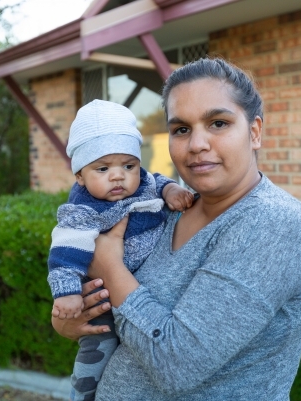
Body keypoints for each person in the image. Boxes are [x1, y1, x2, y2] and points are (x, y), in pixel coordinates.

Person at [52, 58, 301, 400]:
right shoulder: (172, 210)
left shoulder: (274, 224)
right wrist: (74, 319)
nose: (196, 144)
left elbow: (176, 363)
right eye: (181, 129)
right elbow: (127, 315)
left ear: (254, 132)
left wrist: (109, 267)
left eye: (218, 123)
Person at [47, 99, 193, 401]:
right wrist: (67, 293)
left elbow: (158, 181)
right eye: (103, 168)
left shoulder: (144, 183)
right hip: (102, 296)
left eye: (129, 165)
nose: (118, 176)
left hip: (137, 291)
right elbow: (65, 252)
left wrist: (172, 191)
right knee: (98, 346)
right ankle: (82, 392)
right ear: (80, 176)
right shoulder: (83, 208)